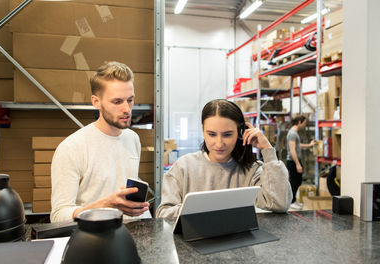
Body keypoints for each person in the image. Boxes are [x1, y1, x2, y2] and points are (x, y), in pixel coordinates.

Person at [156, 99, 292, 219]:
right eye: (212, 134)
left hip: (240, 244)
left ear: (240, 133)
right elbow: (164, 214)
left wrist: (267, 150)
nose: (219, 143)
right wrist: (203, 208)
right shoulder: (183, 167)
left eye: (227, 135)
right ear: (203, 131)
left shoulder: (252, 170)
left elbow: (279, 204)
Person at [50, 61, 149, 222]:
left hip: (130, 233)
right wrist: (106, 204)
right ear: (96, 102)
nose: (127, 109)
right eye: (117, 102)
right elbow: (58, 216)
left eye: (130, 100)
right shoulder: (71, 148)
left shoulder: (133, 139)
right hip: (92, 238)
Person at [286, 115, 316, 210]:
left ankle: (293, 200)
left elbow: (298, 145)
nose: (304, 125)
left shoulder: (294, 133)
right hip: (292, 161)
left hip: (294, 161)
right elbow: (292, 150)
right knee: (294, 182)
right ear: (299, 122)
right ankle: (291, 201)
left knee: (297, 181)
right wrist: (298, 164)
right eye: (304, 123)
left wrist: (310, 145)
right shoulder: (292, 134)